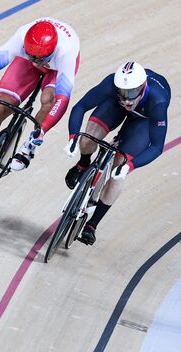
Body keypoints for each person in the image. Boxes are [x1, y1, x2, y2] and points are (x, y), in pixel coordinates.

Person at [0, 17, 80, 195]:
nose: (36, 63)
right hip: (28, 58)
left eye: (40, 60)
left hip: (56, 69)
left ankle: (29, 146)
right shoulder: (21, 38)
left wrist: (42, 130)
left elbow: (62, 100)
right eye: (32, 57)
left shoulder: (66, 53)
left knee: (49, 100)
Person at [64, 61, 171, 245]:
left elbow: (156, 146)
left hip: (143, 122)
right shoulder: (111, 86)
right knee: (88, 137)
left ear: (143, 87)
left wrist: (130, 165)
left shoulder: (158, 101)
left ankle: (92, 225)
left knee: (118, 172)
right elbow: (80, 107)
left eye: (131, 94)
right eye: (123, 93)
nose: (127, 99)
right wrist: (73, 136)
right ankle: (83, 163)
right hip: (114, 106)